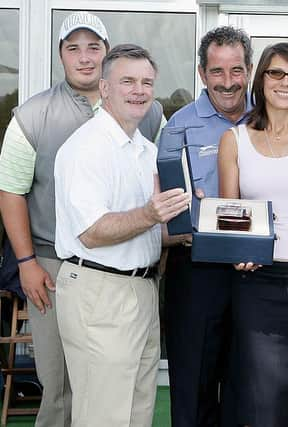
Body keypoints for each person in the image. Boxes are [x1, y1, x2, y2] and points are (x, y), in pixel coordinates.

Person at [0, 12, 163, 427]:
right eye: (74, 48)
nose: (85, 57)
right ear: (60, 55)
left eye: (94, 47)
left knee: (120, 401)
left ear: (105, 55)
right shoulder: (33, 115)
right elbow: (12, 192)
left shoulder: (146, 120)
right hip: (58, 265)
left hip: (130, 277)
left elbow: (151, 197)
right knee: (61, 391)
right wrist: (25, 263)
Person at [53, 44, 190, 427]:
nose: (139, 90)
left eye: (147, 82)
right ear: (105, 87)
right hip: (99, 291)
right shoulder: (86, 148)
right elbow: (93, 232)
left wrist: (186, 234)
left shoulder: (145, 150)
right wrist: (151, 213)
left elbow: (146, 230)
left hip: (141, 290)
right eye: (127, 81)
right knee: (103, 416)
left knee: (137, 412)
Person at [218, 42, 288, 426]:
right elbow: (229, 216)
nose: (285, 82)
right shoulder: (234, 140)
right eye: (276, 73)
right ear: (260, 78)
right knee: (265, 401)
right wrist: (238, 250)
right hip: (257, 281)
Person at [160, 26, 253, 427]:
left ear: (249, 70)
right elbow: (168, 211)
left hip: (255, 272)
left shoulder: (271, 117)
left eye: (236, 70)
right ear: (202, 73)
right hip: (195, 269)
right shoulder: (177, 127)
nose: (228, 82)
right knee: (192, 387)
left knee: (245, 387)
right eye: (217, 71)